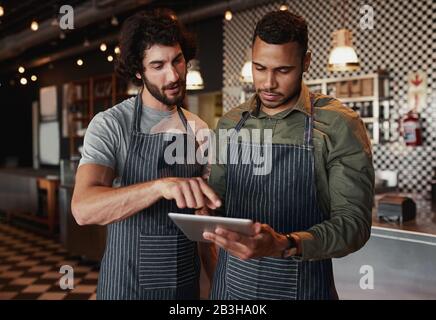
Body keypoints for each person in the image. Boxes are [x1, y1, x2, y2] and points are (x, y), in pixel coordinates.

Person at [204, 10, 375, 300]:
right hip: (231, 289)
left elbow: (353, 224)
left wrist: (286, 244)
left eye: (283, 70)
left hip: (302, 288)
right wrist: (204, 211)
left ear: (306, 62)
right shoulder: (232, 123)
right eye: (259, 68)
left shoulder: (338, 124)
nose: (268, 83)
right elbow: (218, 201)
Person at [71, 9, 221, 300]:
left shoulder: (199, 129)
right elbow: (83, 209)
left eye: (177, 60)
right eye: (158, 65)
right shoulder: (112, 124)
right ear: (138, 71)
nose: (174, 74)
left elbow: (206, 225)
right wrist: (159, 186)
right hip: (126, 286)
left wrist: (218, 283)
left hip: (183, 289)